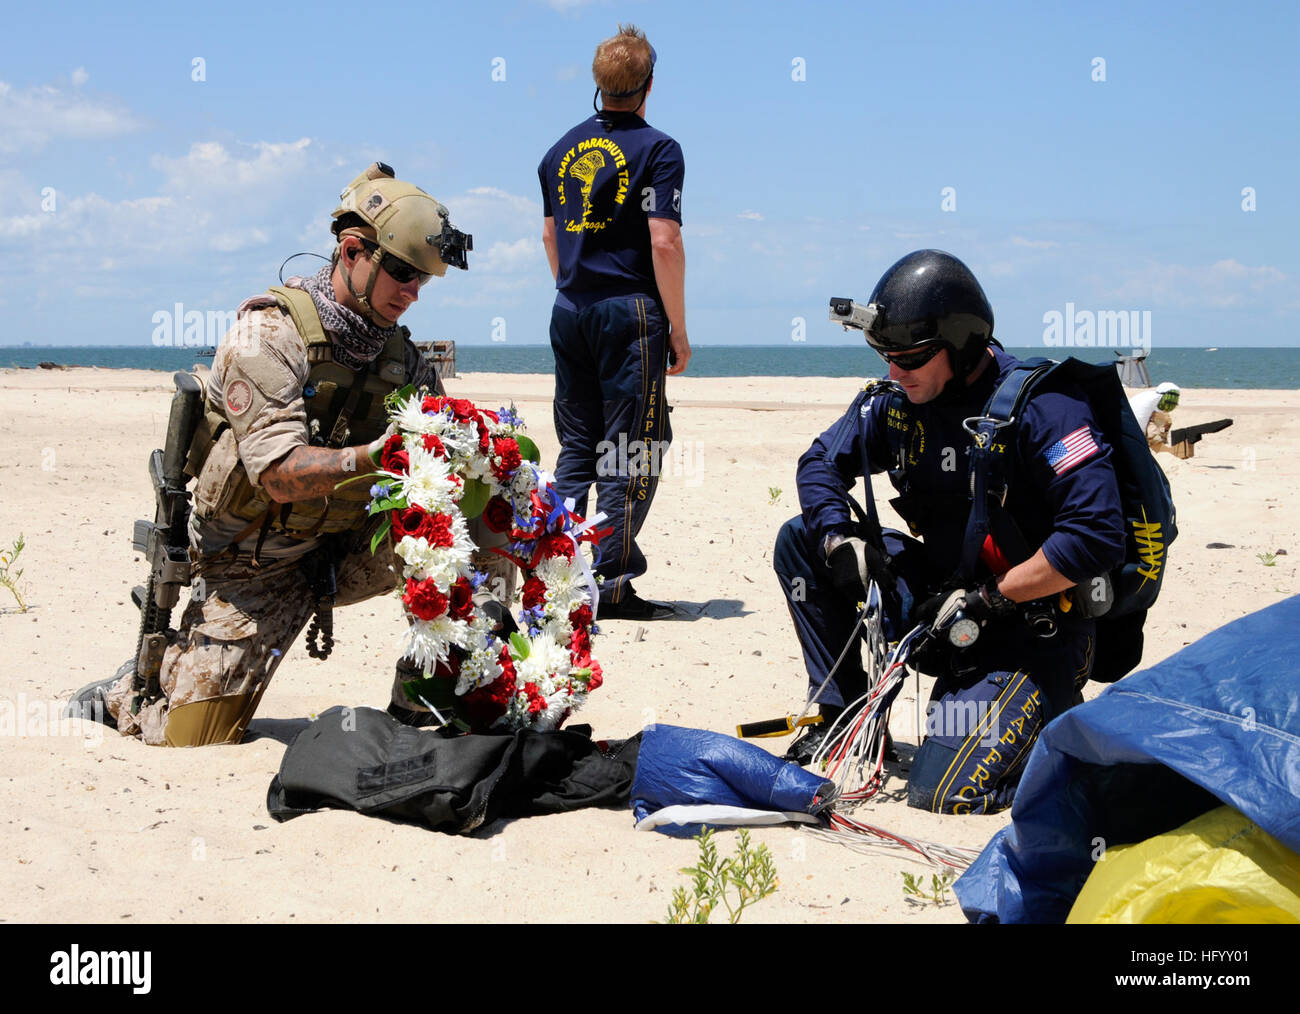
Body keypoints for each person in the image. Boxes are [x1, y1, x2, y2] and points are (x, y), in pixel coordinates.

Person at [70, 163, 515, 746]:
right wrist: (372, 458)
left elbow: (440, 457)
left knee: (478, 504)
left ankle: (434, 697)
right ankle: (130, 690)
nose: (411, 291)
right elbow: (277, 473)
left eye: (422, 281)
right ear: (352, 251)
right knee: (192, 734)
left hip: (344, 549)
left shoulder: (403, 361)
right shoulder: (268, 336)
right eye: (402, 272)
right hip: (253, 563)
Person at [774, 250, 1126, 814]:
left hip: (1029, 630)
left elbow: (1096, 535)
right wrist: (839, 541)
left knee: (945, 792)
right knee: (801, 538)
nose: (894, 372)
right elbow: (819, 462)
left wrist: (990, 599)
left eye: (909, 358)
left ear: (960, 344)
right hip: (938, 608)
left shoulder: (1046, 407)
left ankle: (1055, 735)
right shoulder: (899, 405)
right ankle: (842, 716)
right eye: (885, 356)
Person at [538, 23, 690, 621]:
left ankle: (559, 572)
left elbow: (550, 235)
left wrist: (572, 285)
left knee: (579, 444)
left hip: (570, 306)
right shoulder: (659, 149)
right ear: (649, 84)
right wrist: (676, 326)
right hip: (629, 309)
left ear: (599, 86)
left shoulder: (558, 151)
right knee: (636, 447)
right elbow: (665, 240)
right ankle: (612, 582)